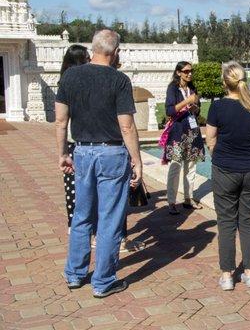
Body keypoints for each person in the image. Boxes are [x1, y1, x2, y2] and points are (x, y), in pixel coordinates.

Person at [55, 29, 142, 298]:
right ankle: (103, 281)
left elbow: (60, 120)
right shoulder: (119, 80)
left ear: (93, 49)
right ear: (115, 52)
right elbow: (126, 127)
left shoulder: (70, 75)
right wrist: (137, 160)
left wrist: (62, 153)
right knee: (109, 219)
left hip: (82, 150)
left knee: (82, 215)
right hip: (112, 153)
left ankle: (75, 273)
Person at [205, 61, 250, 291]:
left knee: (227, 222)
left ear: (224, 82)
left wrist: (219, 155)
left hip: (225, 169)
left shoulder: (218, 107)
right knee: (247, 221)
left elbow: (211, 139)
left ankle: (227, 275)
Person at [163, 61, 205, 215]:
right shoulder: (173, 88)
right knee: (175, 166)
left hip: (192, 132)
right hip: (178, 132)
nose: (189, 74)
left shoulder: (192, 88)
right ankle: (172, 201)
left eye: (191, 71)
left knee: (192, 166)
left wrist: (195, 108)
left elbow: (197, 111)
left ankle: (189, 198)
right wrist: (187, 101)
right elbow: (169, 110)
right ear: (178, 72)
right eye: (186, 71)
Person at [59, 44, 90, 230]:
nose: (89, 61)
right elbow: (61, 121)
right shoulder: (72, 83)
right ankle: (77, 225)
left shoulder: (66, 81)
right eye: (86, 58)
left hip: (76, 140)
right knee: (78, 186)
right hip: (78, 139)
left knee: (75, 185)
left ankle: (75, 225)